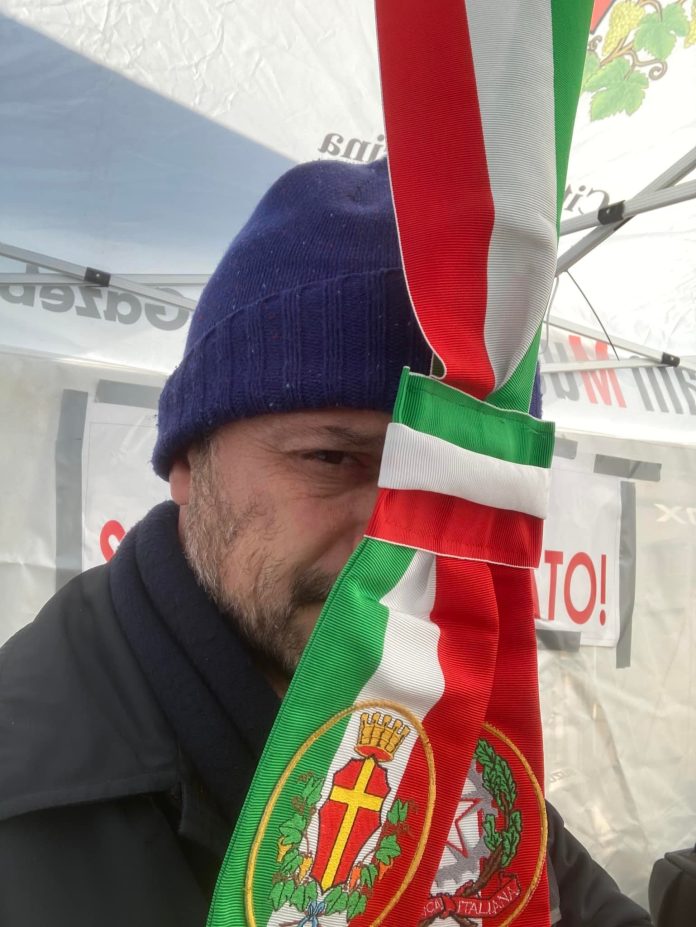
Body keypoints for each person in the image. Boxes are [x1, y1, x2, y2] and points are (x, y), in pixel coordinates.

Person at [0, 158, 651, 927]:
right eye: (335, 459)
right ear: (187, 462)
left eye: (454, 488)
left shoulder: (451, 720)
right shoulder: (29, 808)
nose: (394, 550)